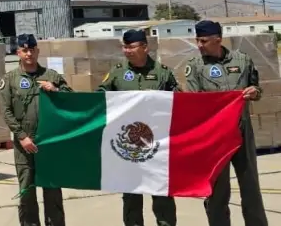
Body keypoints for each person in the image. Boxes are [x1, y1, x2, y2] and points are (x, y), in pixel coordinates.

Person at [183, 20, 268, 226]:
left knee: (250, 188)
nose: (199, 44)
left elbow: (256, 87)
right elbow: (195, 100)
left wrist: (255, 92)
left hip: (242, 132)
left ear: (218, 39)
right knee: (217, 191)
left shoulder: (243, 60)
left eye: (203, 40)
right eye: (197, 40)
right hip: (214, 137)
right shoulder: (195, 66)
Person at [98, 29, 178, 226]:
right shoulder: (116, 73)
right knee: (131, 196)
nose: (127, 51)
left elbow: (179, 102)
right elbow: (100, 98)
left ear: (144, 47)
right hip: (128, 146)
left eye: (131, 47)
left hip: (157, 144)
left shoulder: (162, 73)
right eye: (124, 47)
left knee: (161, 194)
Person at [0, 33, 72, 226]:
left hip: (49, 143)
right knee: (27, 190)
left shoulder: (51, 75)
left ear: (37, 51)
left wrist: (56, 90)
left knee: (53, 189)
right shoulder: (10, 79)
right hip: (25, 144)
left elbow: (72, 99)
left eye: (32, 49)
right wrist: (21, 136)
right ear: (18, 53)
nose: (29, 53)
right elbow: (6, 111)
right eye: (24, 50)